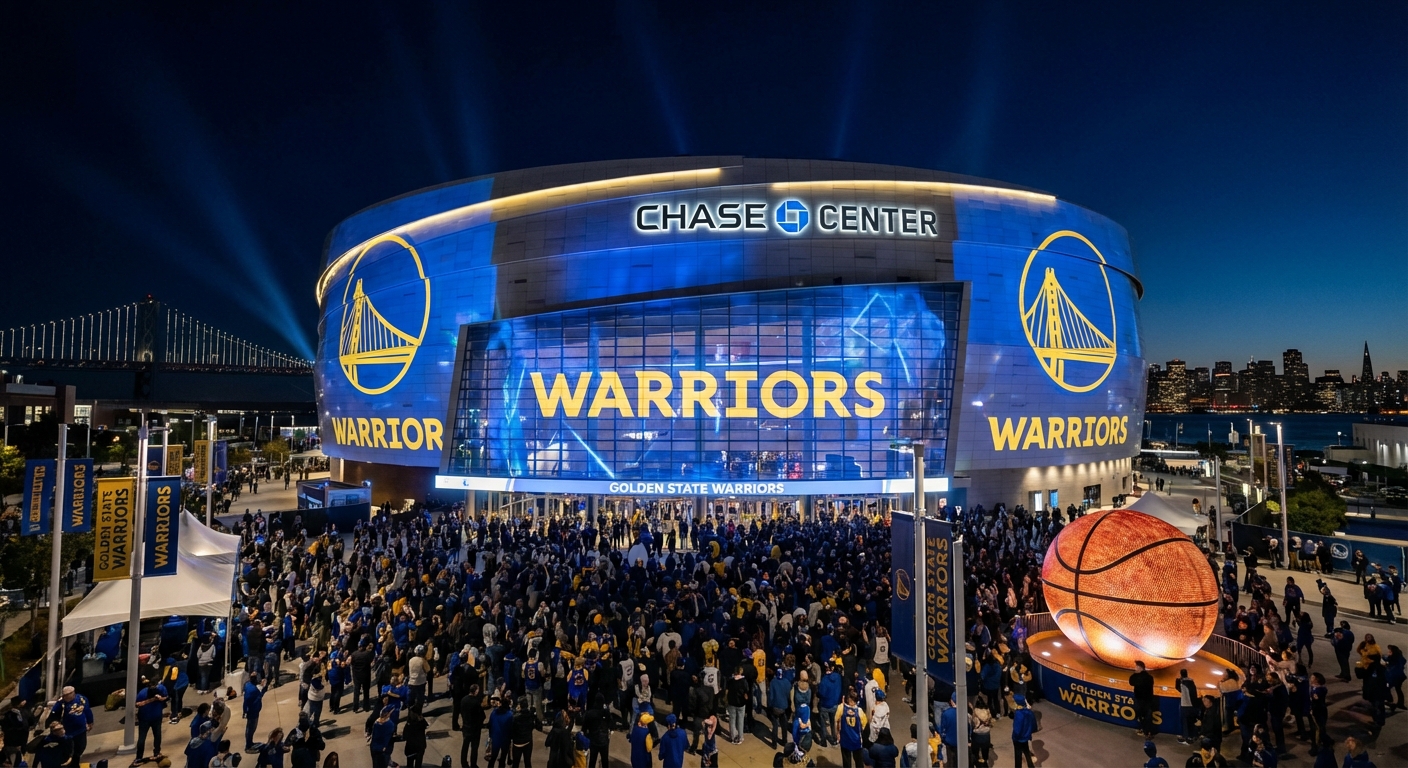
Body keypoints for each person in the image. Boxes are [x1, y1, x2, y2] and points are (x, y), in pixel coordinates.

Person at [46, 685, 93, 768]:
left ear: (72, 693)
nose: (65, 697)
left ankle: (74, 762)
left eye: (67, 695)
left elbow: (87, 710)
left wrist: (90, 722)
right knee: (69, 750)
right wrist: (53, 722)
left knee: (81, 747)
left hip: (80, 729)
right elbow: (54, 713)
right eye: (64, 695)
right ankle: (72, 765)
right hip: (68, 731)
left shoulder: (81, 699)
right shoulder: (61, 703)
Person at [135, 674, 170, 764]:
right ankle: (149, 754)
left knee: (151, 736)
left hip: (150, 717)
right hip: (148, 717)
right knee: (149, 737)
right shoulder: (146, 692)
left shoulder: (145, 691)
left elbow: (166, 697)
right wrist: (154, 699)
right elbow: (138, 704)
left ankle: (144, 756)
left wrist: (160, 699)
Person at [461, 684, 486, 768]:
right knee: (474, 748)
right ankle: (473, 764)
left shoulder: (463, 700)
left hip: (465, 727)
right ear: (475, 691)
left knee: (465, 746)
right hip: (475, 729)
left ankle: (464, 763)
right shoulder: (476, 702)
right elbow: (482, 716)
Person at [1129, 660, 1156, 737]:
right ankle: (1148, 732)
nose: (1135, 668)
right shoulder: (1150, 677)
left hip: (1140, 699)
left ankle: (1145, 731)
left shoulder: (1139, 677)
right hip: (1149, 699)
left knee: (1142, 716)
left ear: (1140, 668)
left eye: (1136, 667)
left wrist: (1134, 674)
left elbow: (1131, 682)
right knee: (1147, 716)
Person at [487, 696, 513, 768]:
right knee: (503, 758)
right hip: (505, 739)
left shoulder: (494, 713)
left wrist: (490, 735)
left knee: (493, 758)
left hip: (495, 738)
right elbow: (511, 728)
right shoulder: (510, 715)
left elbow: (490, 725)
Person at [1011, 694, 1036, 768]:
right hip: (1026, 737)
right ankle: (1031, 766)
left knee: (1018, 754)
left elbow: (1017, 729)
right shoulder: (1029, 712)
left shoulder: (1019, 714)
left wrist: (1015, 737)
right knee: (1026, 751)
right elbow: (1034, 725)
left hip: (1018, 739)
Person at [244, 671, 266, 752]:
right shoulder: (253, 689)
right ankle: (248, 746)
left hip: (250, 710)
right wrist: (263, 687)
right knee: (251, 728)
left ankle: (249, 743)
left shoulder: (247, 685)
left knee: (249, 728)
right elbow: (260, 695)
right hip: (253, 711)